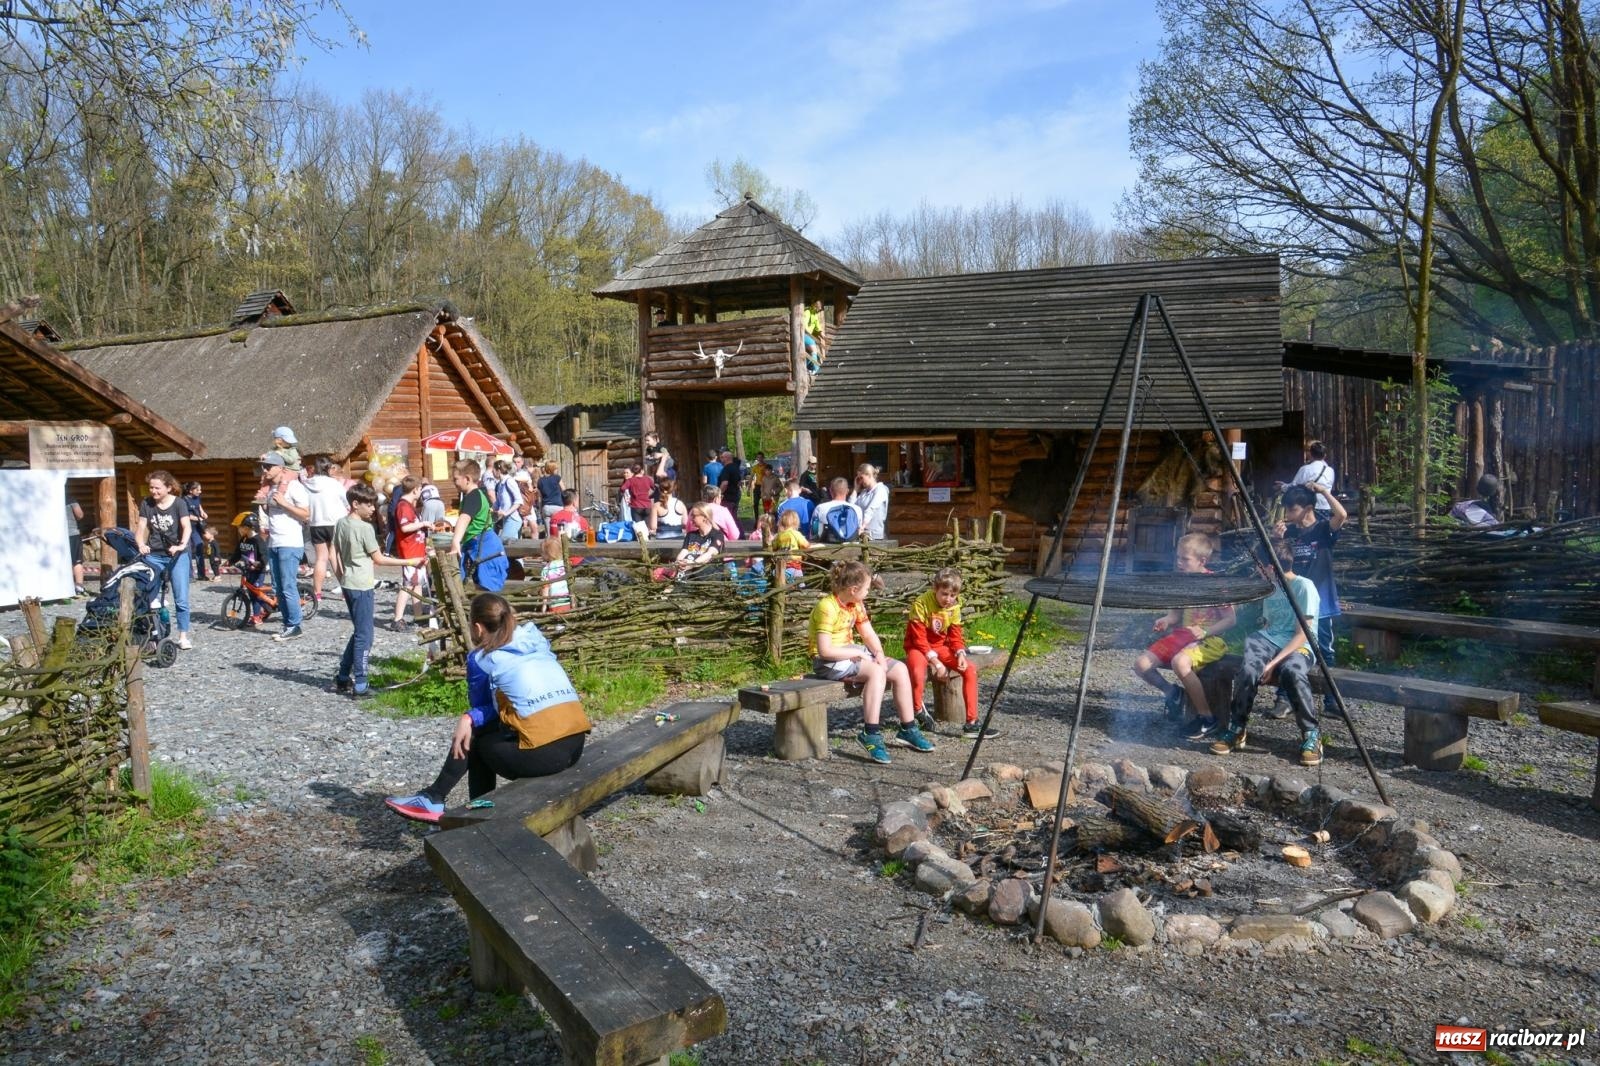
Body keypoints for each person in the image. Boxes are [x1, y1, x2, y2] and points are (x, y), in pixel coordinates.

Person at [384, 593, 589, 822]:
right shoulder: (534, 641)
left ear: (478, 628)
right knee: (481, 728)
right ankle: (448, 802)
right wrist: (471, 717)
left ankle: (448, 803)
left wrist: (469, 718)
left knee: (478, 740)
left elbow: (483, 710)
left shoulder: (482, 659)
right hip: (575, 744)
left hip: (546, 755)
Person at [1209, 539, 1322, 766]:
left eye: (1259, 565)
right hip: (1269, 640)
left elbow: (1302, 635)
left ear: (1270, 568)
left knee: (1291, 672)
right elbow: (1269, 626)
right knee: (1249, 669)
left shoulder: (1304, 587)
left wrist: (1271, 665)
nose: (1257, 570)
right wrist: (1263, 659)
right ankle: (1237, 727)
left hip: (1300, 645)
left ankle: (1311, 735)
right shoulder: (1270, 587)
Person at [809, 560, 934, 765]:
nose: (868, 592)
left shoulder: (856, 604)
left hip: (851, 653)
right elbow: (824, 651)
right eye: (867, 588)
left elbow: (867, 633)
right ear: (853, 589)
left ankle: (908, 728)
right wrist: (856, 655)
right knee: (876, 673)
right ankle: (870, 733)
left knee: (900, 669)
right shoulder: (827, 607)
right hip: (828, 662)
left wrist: (878, 654)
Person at [1131, 533, 1237, 740]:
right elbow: (1175, 614)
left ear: (1202, 561)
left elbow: (1231, 620)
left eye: (1185, 559)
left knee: (1180, 662)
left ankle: (1207, 719)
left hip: (1210, 639)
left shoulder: (1216, 585)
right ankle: (1173, 694)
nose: (1179, 563)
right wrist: (1166, 620)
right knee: (1141, 664)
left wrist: (1206, 631)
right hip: (1183, 635)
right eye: (1178, 558)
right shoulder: (1182, 582)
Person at [1271, 482, 1346, 717]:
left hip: (1321, 603)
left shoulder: (1323, 529)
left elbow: (1342, 514)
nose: (1287, 515)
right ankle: (1283, 700)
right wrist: (1276, 540)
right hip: (1295, 601)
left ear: (1307, 508)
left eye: (1292, 509)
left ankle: (1331, 701)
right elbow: (1277, 563)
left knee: (1325, 651)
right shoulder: (1290, 533)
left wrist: (1324, 491)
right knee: (1288, 646)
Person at [902, 568, 999, 741]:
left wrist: (960, 653)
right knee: (917, 672)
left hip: (940, 646)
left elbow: (955, 635)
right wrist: (937, 663)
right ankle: (917, 710)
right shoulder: (921, 603)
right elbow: (919, 638)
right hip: (918, 647)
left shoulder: (954, 606)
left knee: (969, 669)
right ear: (935, 589)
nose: (948, 599)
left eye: (952, 595)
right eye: (944, 594)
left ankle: (972, 723)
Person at [331, 484, 406, 697]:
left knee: (359, 632)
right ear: (355, 504)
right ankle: (361, 684)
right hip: (362, 586)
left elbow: (332, 554)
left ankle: (343, 678)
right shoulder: (365, 528)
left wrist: (341, 577)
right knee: (366, 635)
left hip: (348, 583)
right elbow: (379, 559)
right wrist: (410, 561)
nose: (373, 508)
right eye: (369, 504)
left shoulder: (340, 523)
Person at [135, 470, 194, 650]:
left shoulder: (179, 503)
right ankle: (152, 634)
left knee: (181, 597)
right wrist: (140, 544)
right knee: (148, 594)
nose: (153, 491)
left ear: (168, 488)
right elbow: (141, 528)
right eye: (151, 487)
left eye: (157, 488)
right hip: (155, 554)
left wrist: (181, 545)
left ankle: (183, 636)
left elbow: (187, 527)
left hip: (177, 554)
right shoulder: (147, 503)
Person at [260, 453, 311, 640]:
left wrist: (284, 504)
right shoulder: (270, 488)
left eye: (268, 466)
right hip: (274, 542)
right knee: (277, 587)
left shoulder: (294, 487)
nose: (264, 470)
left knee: (288, 585)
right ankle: (287, 623)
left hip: (290, 542)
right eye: (263, 467)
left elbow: (306, 515)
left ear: (281, 468)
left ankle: (295, 625)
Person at [449, 459, 508, 592]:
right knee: (480, 584)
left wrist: (455, 541)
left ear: (467, 479)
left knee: (487, 586)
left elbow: (464, 519)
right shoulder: (479, 494)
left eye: (456, 479)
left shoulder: (473, 496)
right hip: (479, 544)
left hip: (484, 545)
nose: (454, 483)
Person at [303, 456, 348, 605]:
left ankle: (317, 592)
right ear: (329, 468)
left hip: (316, 522)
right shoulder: (334, 484)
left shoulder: (306, 484)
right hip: (335, 522)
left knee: (321, 558)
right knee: (336, 556)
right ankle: (345, 590)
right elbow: (345, 500)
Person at [391, 476, 429, 630]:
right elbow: (405, 527)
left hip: (417, 549)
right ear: (415, 490)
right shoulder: (403, 506)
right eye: (420, 490)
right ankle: (397, 619)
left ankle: (419, 616)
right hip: (409, 552)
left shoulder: (409, 505)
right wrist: (423, 523)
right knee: (407, 585)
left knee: (417, 584)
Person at [652, 503, 725, 581]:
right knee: (684, 567)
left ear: (705, 517)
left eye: (694, 516)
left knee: (691, 565)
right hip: (689, 572)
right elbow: (683, 552)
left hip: (708, 573)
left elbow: (709, 555)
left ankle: (676, 586)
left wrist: (692, 564)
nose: (691, 518)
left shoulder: (717, 535)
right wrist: (679, 563)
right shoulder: (690, 535)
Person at [1276, 440, 1335, 515]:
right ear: (1324, 455)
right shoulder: (1330, 471)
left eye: (1307, 450)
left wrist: (1282, 487)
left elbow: (1294, 487)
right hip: (1326, 507)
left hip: (1311, 508)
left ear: (1311, 453)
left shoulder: (1306, 469)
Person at [812, 477, 863, 543]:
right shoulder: (857, 509)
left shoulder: (820, 508)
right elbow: (858, 530)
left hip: (827, 548)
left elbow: (813, 532)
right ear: (847, 491)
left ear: (830, 490)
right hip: (851, 547)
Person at [182, 481, 213, 581]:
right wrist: (198, 518)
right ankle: (190, 575)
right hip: (188, 528)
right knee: (189, 551)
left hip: (197, 527)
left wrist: (203, 514)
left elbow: (199, 507)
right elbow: (186, 515)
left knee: (199, 547)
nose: (200, 491)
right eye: (198, 489)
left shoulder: (197, 498)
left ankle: (201, 574)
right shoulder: (184, 500)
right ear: (191, 491)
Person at [850, 463, 889, 540]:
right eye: (858, 478)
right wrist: (855, 489)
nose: (860, 481)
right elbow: (852, 507)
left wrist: (862, 527)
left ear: (869, 475)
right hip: (862, 534)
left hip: (875, 535)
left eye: (861, 477)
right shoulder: (864, 493)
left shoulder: (881, 490)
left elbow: (871, 509)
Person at [771, 508, 810, 584]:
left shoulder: (778, 535)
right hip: (794, 566)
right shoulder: (796, 534)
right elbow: (806, 545)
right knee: (800, 586)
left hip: (782, 566)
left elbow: (773, 547)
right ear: (796, 522)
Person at [490, 459, 523, 541]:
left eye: (493, 470)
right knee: (512, 550)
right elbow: (498, 503)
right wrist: (490, 509)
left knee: (502, 542)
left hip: (513, 519)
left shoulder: (509, 481)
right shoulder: (501, 484)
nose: (492, 472)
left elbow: (518, 501)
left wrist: (506, 513)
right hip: (506, 519)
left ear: (498, 470)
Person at [539, 536, 572, 613]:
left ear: (547, 554)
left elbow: (545, 588)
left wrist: (544, 605)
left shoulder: (546, 569)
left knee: (557, 621)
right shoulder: (566, 565)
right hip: (568, 600)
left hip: (555, 602)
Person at [65, 491, 85, 596]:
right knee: (77, 561)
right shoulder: (70, 498)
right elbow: (80, 514)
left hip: (57, 534)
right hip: (72, 533)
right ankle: (79, 587)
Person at [716, 450, 743, 524]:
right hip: (735, 496)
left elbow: (725, 483)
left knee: (727, 519)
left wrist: (718, 494)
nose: (720, 459)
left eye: (722, 457)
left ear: (727, 458)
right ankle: (738, 534)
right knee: (734, 517)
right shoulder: (736, 467)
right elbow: (739, 482)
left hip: (727, 498)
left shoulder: (726, 469)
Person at [537, 459, 565, 525]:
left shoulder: (540, 480)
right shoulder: (557, 478)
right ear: (552, 469)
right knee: (559, 530)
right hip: (558, 507)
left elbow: (539, 497)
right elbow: (564, 490)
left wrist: (540, 509)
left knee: (549, 533)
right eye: (556, 468)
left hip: (546, 508)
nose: (557, 470)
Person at [803, 298, 826, 374]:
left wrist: (821, 334)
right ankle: (815, 370)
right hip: (804, 334)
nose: (818, 311)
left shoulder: (815, 315)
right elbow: (804, 326)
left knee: (813, 353)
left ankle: (808, 368)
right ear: (814, 306)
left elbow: (817, 326)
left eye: (819, 310)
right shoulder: (807, 312)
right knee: (814, 351)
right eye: (818, 309)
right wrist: (809, 334)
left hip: (808, 335)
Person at [750, 452, 770, 516]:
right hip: (757, 486)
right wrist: (748, 488)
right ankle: (756, 519)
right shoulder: (755, 467)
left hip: (765, 487)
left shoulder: (766, 466)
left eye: (761, 457)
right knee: (755, 503)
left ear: (763, 458)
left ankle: (766, 518)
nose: (759, 459)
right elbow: (751, 477)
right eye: (758, 457)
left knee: (765, 503)